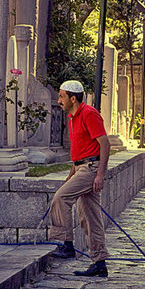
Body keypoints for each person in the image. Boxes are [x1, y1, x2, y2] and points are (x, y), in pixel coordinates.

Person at [48, 80, 110, 277]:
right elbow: (79, 151)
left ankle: (66, 244)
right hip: (81, 167)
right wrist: (71, 174)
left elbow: (105, 145)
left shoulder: (89, 114)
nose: (59, 100)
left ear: (73, 98)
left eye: (61, 96)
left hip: (91, 169)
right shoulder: (72, 116)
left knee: (60, 198)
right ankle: (100, 264)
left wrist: (100, 174)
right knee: (90, 218)